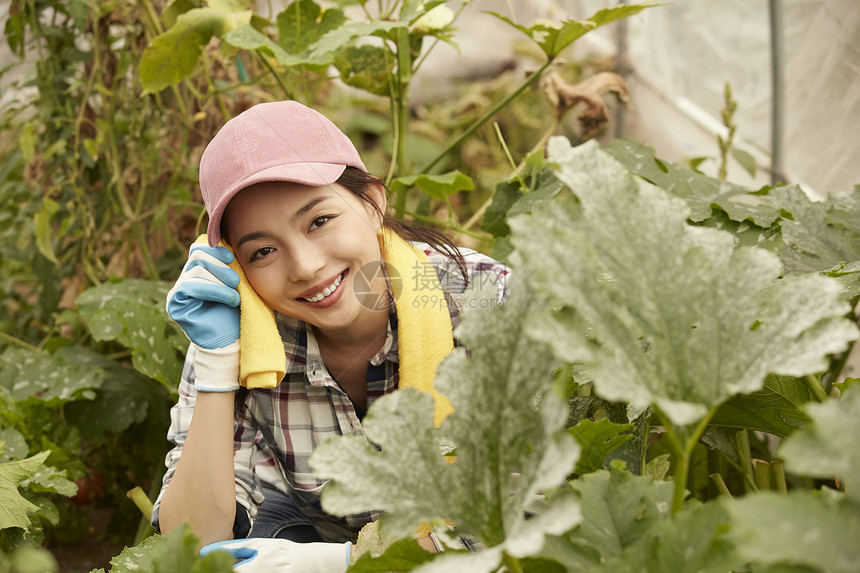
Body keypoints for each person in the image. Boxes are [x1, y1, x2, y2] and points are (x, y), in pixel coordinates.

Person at [152, 100, 509, 571]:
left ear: (373, 202)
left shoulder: (484, 300)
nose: (306, 266)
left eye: (319, 221)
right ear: (234, 264)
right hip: (308, 525)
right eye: (262, 251)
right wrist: (218, 366)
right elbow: (192, 543)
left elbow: (528, 507)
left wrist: (346, 562)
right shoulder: (236, 330)